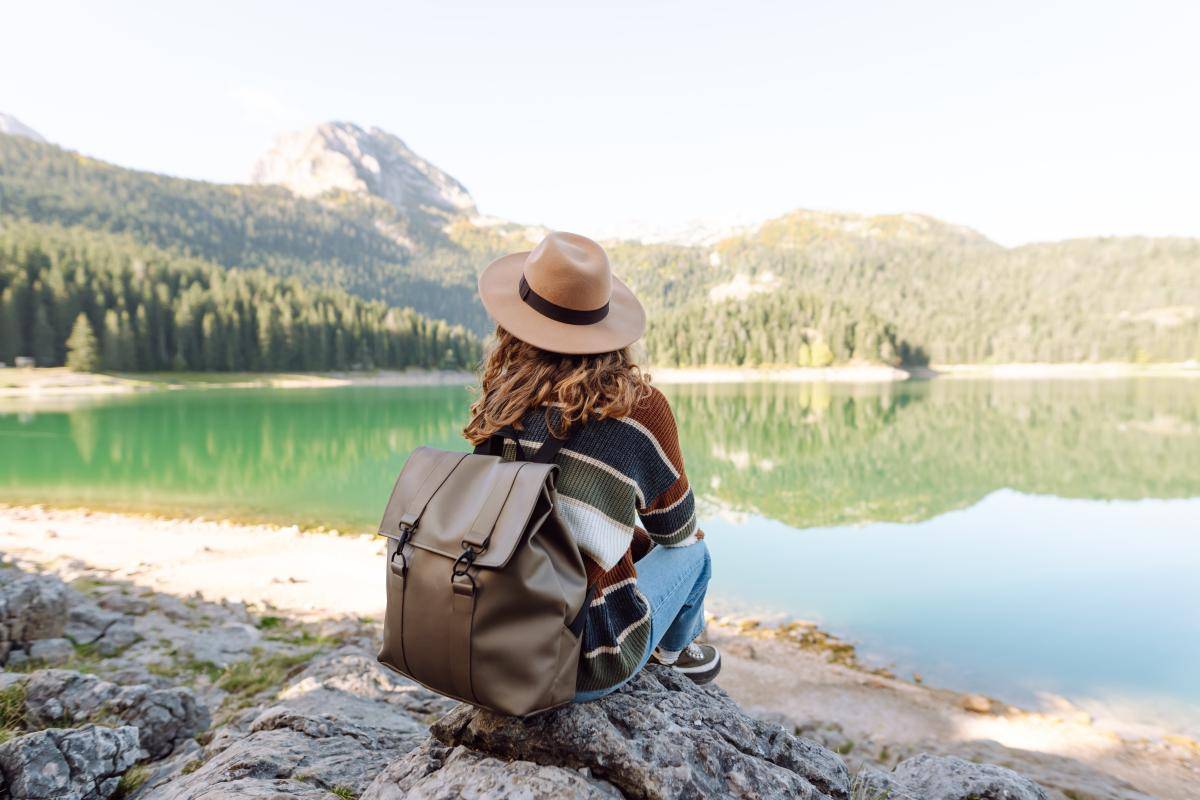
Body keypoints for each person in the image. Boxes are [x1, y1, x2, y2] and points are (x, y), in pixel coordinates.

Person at [464, 231, 720, 702]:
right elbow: (677, 534)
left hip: (487, 640)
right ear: (607, 330)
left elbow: (537, 520)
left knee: (632, 544)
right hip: (573, 663)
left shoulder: (501, 402)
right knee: (696, 557)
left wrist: (621, 534)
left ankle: (669, 651)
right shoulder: (639, 409)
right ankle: (673, 654)